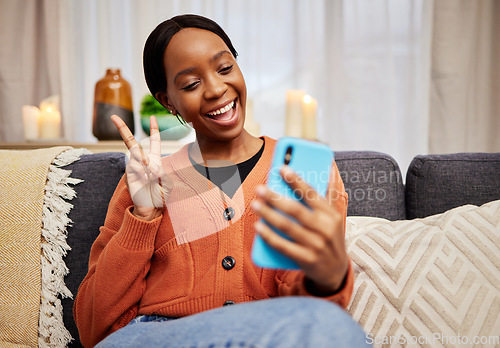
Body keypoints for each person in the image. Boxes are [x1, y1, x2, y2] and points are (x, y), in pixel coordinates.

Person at [73, 14, 370, 348]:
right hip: (159, 336)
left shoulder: (303, 172)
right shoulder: (144, 182)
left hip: (268, 333)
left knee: (335, 328)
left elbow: (311, 313)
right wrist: (142, 218)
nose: (216, 89)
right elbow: (94, 328)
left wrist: (327, 278)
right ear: (168, 101)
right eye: (190, 84)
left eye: (225, 68)